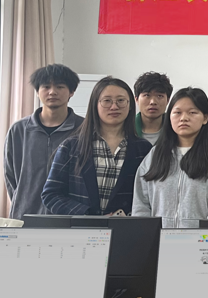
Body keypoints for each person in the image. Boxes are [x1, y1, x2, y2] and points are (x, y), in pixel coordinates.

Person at [41, 77, 152, 215]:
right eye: (107, 101)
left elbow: (149, 196)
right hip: (82, 227)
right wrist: (87, 215)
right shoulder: (70, 147)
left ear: (130, 105)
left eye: (121, 100)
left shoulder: (143, 150)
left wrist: (128, 216)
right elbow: (51, 194)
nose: (114, 106)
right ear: (95, 105)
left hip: (125, 227)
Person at [132, 87, 208, 228]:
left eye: (192, 112)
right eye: (177, 112)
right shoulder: (156, 154)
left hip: (202, 239)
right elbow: (141, 203)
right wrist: (147, 234)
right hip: (158, 238)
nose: (184, 118)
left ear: (205, 118)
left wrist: (205, 237)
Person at [5, 64, 83, 220]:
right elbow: (11, 175)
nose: (52, 92)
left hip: (69, 217)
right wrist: (22, 201)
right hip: (25, 215)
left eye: (60, 86)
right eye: (46, 86)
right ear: (37, 92)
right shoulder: (19, 129)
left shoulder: (84, 129)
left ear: (71, 92)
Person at [133, 71, 173, 145]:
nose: (153, 102)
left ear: (168, 100)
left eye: (159, 96)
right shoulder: (126, 130)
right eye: (147, 95)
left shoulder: (176, 130)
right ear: (137, 99)